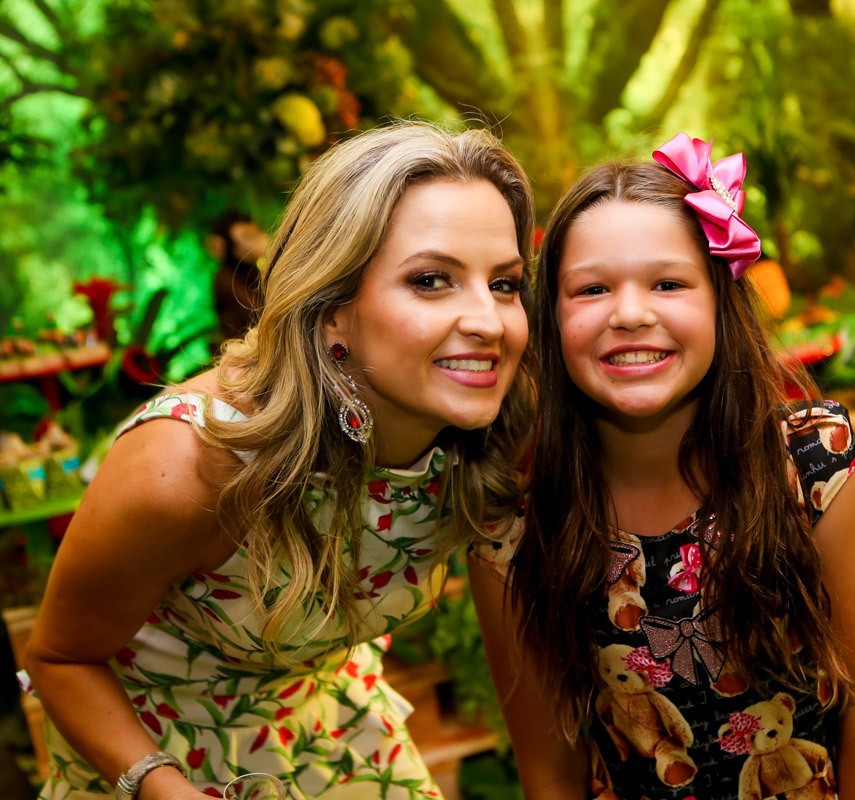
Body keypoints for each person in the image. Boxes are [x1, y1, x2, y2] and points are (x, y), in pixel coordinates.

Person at [24, 122, 536, 800]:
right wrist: (161, 787)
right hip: (150, 755)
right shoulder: (187, 465)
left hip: (330, 733)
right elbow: (60, 658)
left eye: (504, 284)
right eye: (431, 280)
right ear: (331, 310)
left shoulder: (494, 435)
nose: (489, 321)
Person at [470, 135, 855, 800]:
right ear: (549, 319)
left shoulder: (813, 465)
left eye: (668, 283)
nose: (631, 313)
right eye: (592, 289)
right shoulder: (513, 536)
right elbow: (550, 773)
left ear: (720, 304)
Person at [204, 210, 269, 342]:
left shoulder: (254, 271)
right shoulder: (225, 278)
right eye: (248, 236)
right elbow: (257, 312)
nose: (259, 239)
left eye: (257, 233)